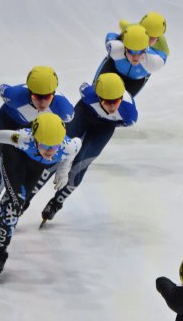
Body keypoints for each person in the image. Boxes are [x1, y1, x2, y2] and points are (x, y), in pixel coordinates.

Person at [0, 113, 81, 285]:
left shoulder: (67, 146)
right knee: (15, 206)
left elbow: (77, 145)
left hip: (35, 166)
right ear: (36, 139)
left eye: (54, 146)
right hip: (14, 158)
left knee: (14, 208)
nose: (50, 151)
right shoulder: (24, 138)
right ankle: (0, 252)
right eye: (45, 145)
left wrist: (63, 170)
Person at [0, 66, 74, 246]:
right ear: (29, 93)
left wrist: (64, 169)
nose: (42, 102)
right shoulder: (14, 95)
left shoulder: (65, 110)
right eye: (36, 97)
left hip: (35, 139)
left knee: (19, 185)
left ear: (54, 94)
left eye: (47, 97)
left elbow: (66, 141)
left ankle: (4, 218)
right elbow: (2, 88)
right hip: (9, 127)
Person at [38, 72, 138, 225]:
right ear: (98, 98)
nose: (112, 106)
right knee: (56, 151)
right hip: (84, 114)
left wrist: (108, 122)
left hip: (105, 127)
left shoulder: (129, 112)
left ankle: (56, 203)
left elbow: (124, 123)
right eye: (107, 101)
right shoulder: (88, 94)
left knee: (81, 164)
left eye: (116, 101)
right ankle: (28, 196)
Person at [94, 20, 167, 97]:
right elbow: (111, 35)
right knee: (95, 94)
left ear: (146, 50)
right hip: (113, 68)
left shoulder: (154, 62)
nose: (135, 57)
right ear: (124, 48)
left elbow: (164, 53)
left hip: (134, 82)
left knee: (120, 105)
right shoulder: (115, 48)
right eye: (131, 51)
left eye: (140, 52)